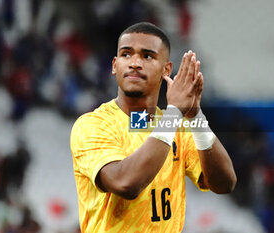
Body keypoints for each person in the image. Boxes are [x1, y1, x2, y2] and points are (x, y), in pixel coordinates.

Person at [70, 22, 236, 233]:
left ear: (166, 69)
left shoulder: (177, 127)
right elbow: (125, 183)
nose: (134, 63)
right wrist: (175, 112)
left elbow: (224, 183)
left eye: (147, 56)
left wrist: (195, 116)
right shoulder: (93, 125)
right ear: (114, 65)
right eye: (126, 54)